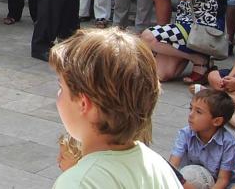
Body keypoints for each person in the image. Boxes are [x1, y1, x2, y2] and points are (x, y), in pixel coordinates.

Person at [50, 28, 182, 189]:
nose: (58, 94)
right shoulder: (158, 166)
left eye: (61, 87)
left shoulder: (78, 183)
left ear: (84, 104)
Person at [169, 89, 235, 189]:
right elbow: (172, 166)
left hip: (215, 184)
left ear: (217, 121)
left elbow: (223, 179)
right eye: (190, 108)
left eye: (198, 112)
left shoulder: (229, 144)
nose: (191, 114)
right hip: (187, 180)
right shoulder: (185, 133)